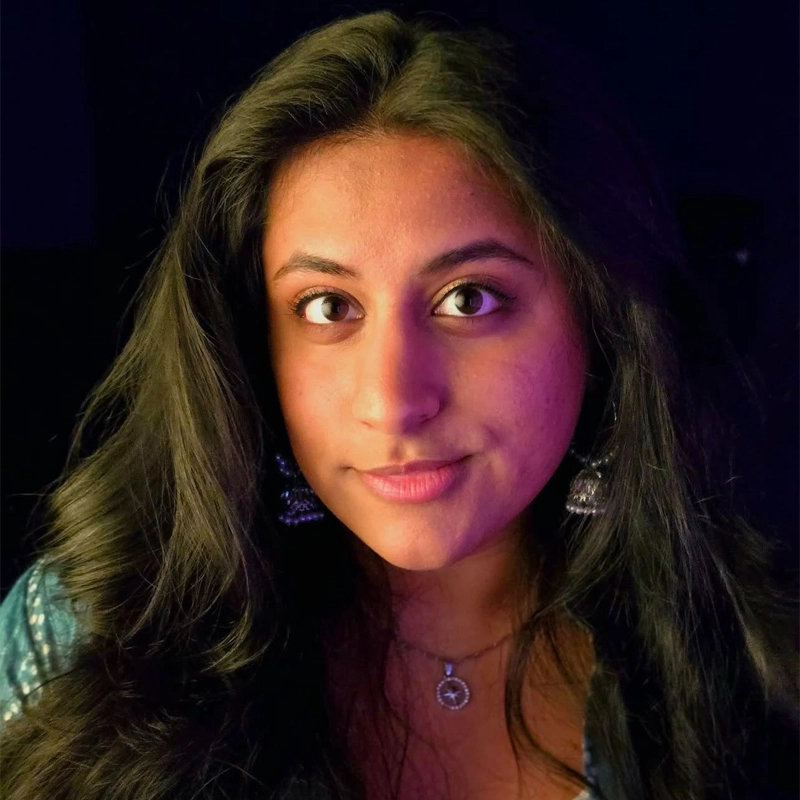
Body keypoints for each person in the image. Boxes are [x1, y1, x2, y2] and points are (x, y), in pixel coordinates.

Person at [0, 9, 796, 800]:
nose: (394, 402)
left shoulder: (760, 654)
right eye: (326, 307)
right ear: (250, 343)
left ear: (603, 320)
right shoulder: (85, 638)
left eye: (470, 298)